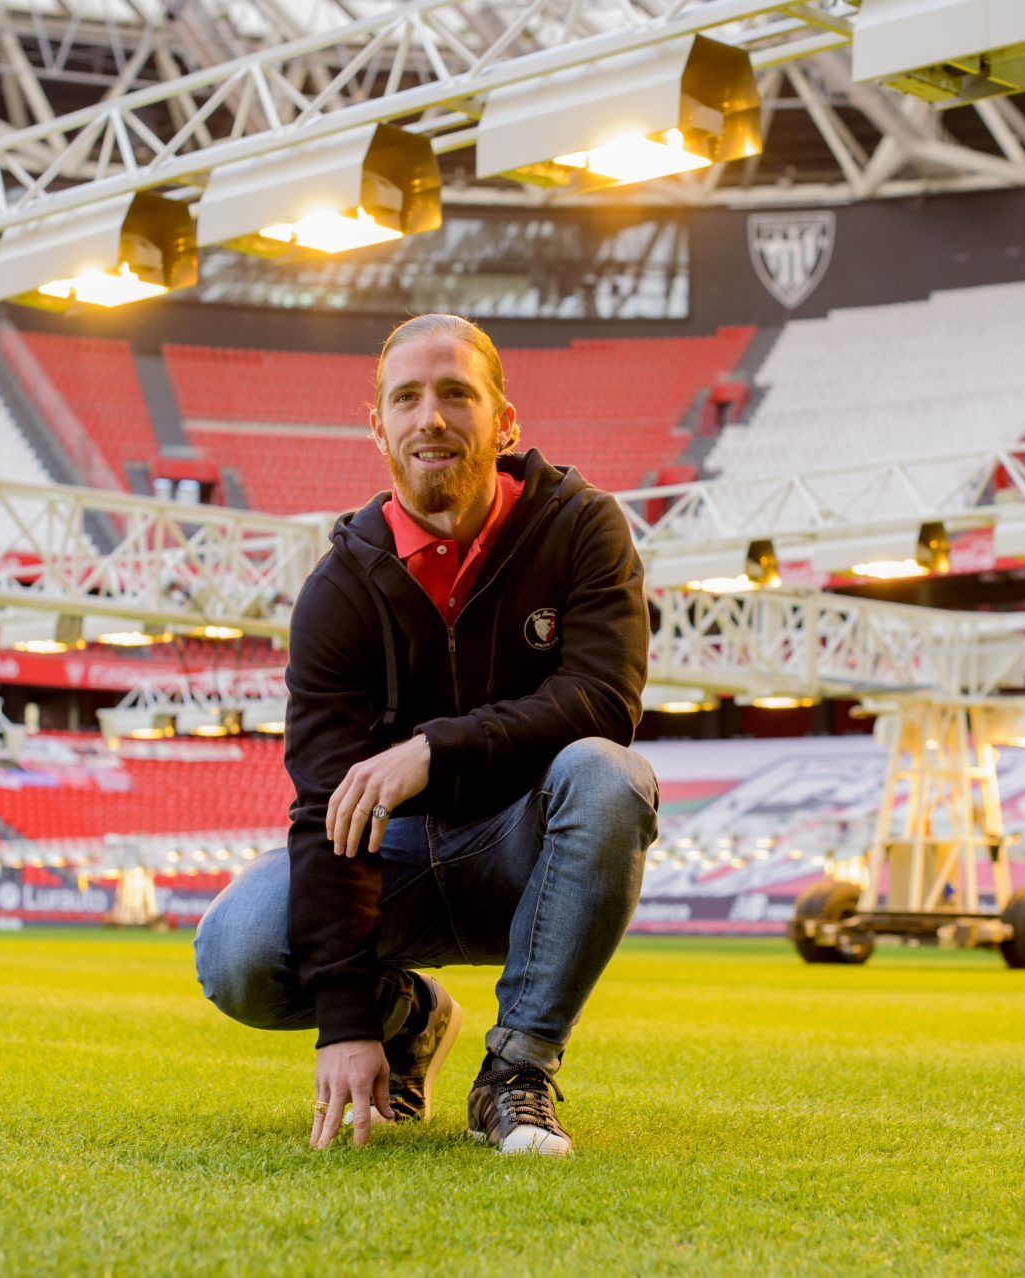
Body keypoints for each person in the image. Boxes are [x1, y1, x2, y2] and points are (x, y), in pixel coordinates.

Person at [193, 313, 658, 1156]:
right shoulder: (337, 591)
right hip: (395, 865)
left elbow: (603, 701)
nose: (430, 418)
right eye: (406, 398)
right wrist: (344, 1021)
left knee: (609, 775)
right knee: (234, 950)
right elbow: (324, 808)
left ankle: (516, 1074)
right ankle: (407, 1018)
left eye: (456, 395)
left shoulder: (582, 528)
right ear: (377, 426)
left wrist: (432, 750)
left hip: (528, 855)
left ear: (504, 422)